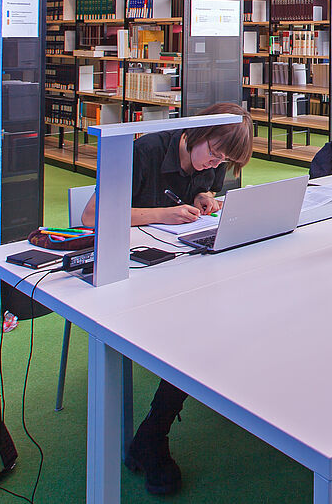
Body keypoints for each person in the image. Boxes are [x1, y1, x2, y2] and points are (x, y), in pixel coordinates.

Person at [80, 102, 255, 496]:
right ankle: (153, 434)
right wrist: (163, 214)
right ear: (196, 132)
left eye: (224, 159)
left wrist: (208, 196)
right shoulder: (145, 151)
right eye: (213, 151)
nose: (215, 162)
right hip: (130, 274)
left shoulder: (213, 162)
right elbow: (92, 215)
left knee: (232, 306)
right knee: (201, 332)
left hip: (180, 266)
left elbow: (203, 187)